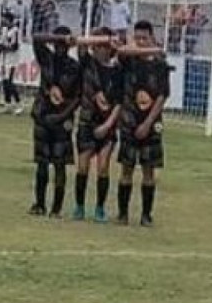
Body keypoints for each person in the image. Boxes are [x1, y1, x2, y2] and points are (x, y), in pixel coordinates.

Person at [116, 21, 170, 227]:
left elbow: (162, 96)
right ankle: (123, 213)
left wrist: (147, 123)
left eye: (144, 38)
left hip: (151, 124)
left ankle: (146, 214)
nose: (140, 42)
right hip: (129, 121)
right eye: (137, 38)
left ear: (151, 38)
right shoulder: (129, 61)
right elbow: (120, 52)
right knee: (126, 169)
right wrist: (132, 46)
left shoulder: (159, 65)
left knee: (149, 170)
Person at [28, 26, 82, 218]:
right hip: (43, 115)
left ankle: (56, 208)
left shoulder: (74, 67)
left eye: (63, 44)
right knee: (42, 163)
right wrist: (58, 36)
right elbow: (36, 37)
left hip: (62, 119)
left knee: (60, 164)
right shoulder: (47, 58)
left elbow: (78, 97)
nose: (60, 46)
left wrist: (63, 115)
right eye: (58, 43)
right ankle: (39, 203)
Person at [72, 27, 123, 222]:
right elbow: (80, 44)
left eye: (104, 45)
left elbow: (119, 102)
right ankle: (79, 206)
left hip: (107, 124)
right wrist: (98, 36)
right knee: (83, 167)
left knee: (103, 167)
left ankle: (100, 208)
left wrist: (108, 125)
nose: (100, 49)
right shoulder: (88, 65)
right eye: (98, 45)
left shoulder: (118, 70)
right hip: (87, 122)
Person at [0, 11, 24, 115]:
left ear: (9, 20)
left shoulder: (15, 31)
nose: (3, 21)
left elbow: (15, 46)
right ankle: (7, 104)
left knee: (10, 83)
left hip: (12, 60)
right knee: (5, 82)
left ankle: (19, 104)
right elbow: (3, 43)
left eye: (4, 19)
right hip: (4, 59)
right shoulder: (4, 30)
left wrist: (3, 47)